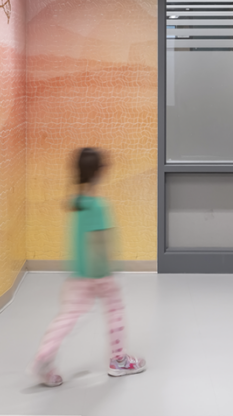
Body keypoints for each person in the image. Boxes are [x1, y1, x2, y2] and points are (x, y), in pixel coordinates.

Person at [30, 148, 146, 387]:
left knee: (68, 316)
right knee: (114, 310)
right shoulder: (98, 206)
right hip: (98, 273)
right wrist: (107, 272)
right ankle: (119, 361)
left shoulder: (77, 202)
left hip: (78, 273)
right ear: (99, 172)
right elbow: (99, 241)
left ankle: (45, 355)